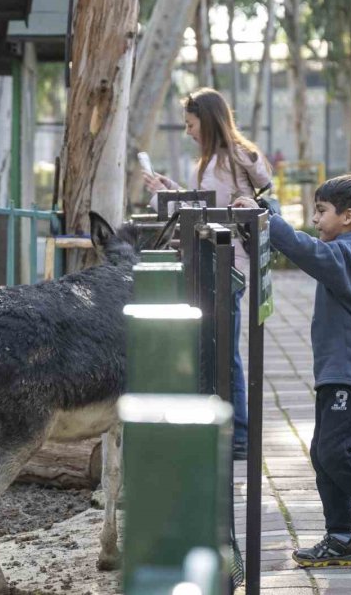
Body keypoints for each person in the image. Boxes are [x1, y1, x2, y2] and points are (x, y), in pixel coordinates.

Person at [234, 175, 351, 567]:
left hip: (350, 373)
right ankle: (340, 537)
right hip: (347, 371)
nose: (316, 220)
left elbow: (309, 252)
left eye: (321, 211)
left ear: (348, 216)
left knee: (334, 452)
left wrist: (267, 219)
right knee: (323, 453)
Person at [143, 87, 272, 461]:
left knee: (224, 353)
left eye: (190, 124)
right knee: (221, 350)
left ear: (208, 121)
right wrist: (168, 191)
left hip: (226, 266)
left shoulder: (227, 160)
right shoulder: (219, 161)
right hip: (223, 263)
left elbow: (209, 214)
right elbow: (206, 206)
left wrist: (164, 200)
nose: (187, 131)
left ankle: (240, 436)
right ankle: (234, 432)